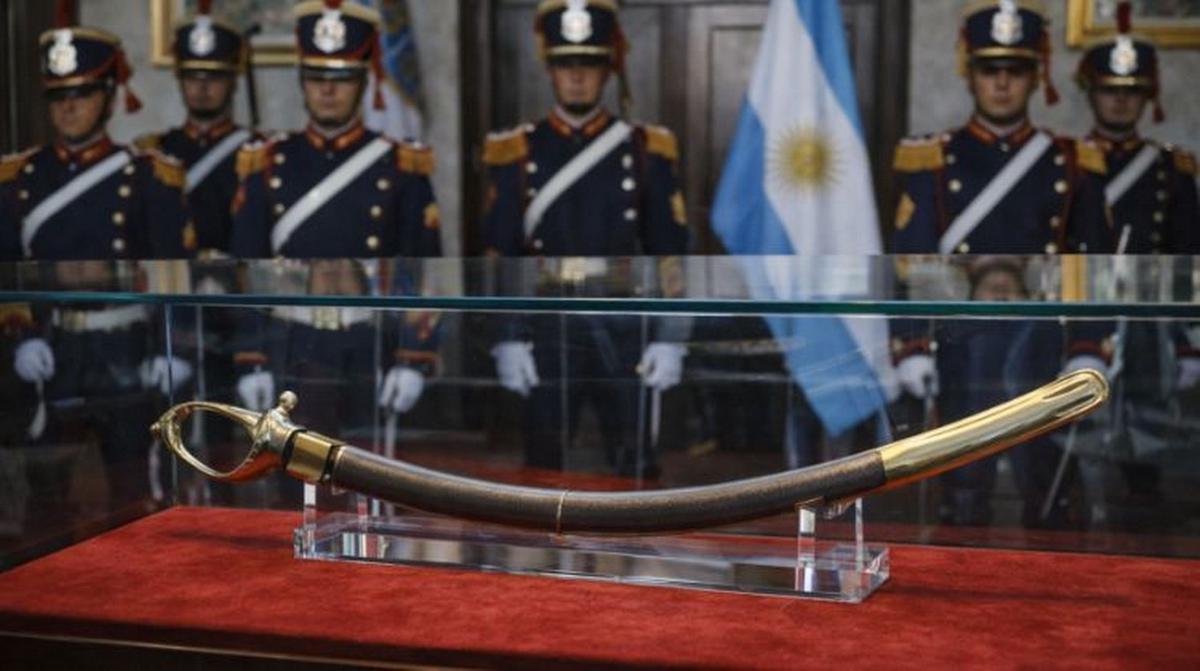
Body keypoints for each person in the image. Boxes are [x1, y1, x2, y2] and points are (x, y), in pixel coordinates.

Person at [889, 0, 1110, 527]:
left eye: (1016, 69)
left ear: (1037, 77)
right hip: (960, 346)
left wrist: (1089, 347)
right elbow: (906, 267)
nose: (1003, 83)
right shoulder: (932, 158)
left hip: (1045, 346)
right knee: (963, 497)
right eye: (990, 69)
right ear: (970, 74)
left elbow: (1094, 270)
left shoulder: (1072, 161)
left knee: (1049, 496)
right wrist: (911, 346)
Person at [229, 0, 441, 505]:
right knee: (290, 496)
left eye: (342, 77)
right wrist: (250, 357)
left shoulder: (401, 165)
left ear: (365, 81)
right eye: (317, 76)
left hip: (368, 343)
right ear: (302, 81)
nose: (328, 89)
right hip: (292, 344)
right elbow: (245, 273)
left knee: (368, 492)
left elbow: (421, 270)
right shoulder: (266, 162)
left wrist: (413, 355)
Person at [480, 0, 689, 479]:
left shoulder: (645, 149)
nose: (576, 77)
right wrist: (506, 339)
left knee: (633, 468)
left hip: (624, 322)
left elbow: (670, 254)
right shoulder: (517, 151)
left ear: (608, 70)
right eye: (565, 64)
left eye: (589, 65)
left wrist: (671, 338)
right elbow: (500, 258)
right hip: (547, 325)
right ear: (549, 69)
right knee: (542, 468)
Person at [0, 3, 193, 516]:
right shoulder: (18, 178)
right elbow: (6, 266)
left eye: (82, 94)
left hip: (124, 349)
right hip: (52, 351)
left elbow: (173, 272)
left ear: (109, 97)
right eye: (58, 96)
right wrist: (21, 335)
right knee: (45, 500)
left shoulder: (149, 176)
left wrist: (170, 346)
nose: (68, 108)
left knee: (136, 492)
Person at [1061, 2, 1200, 531]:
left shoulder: (1172, 168)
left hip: (1149, 327)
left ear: (1148, 97)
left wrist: (1188, 342)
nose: (1120, 100)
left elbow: (1188, 262)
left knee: (1147, 446)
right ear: (1090, 92)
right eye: (1109, 90)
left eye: (1132, 91)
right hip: (1081, 322)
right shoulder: (1067, 163)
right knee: (1074, 440)